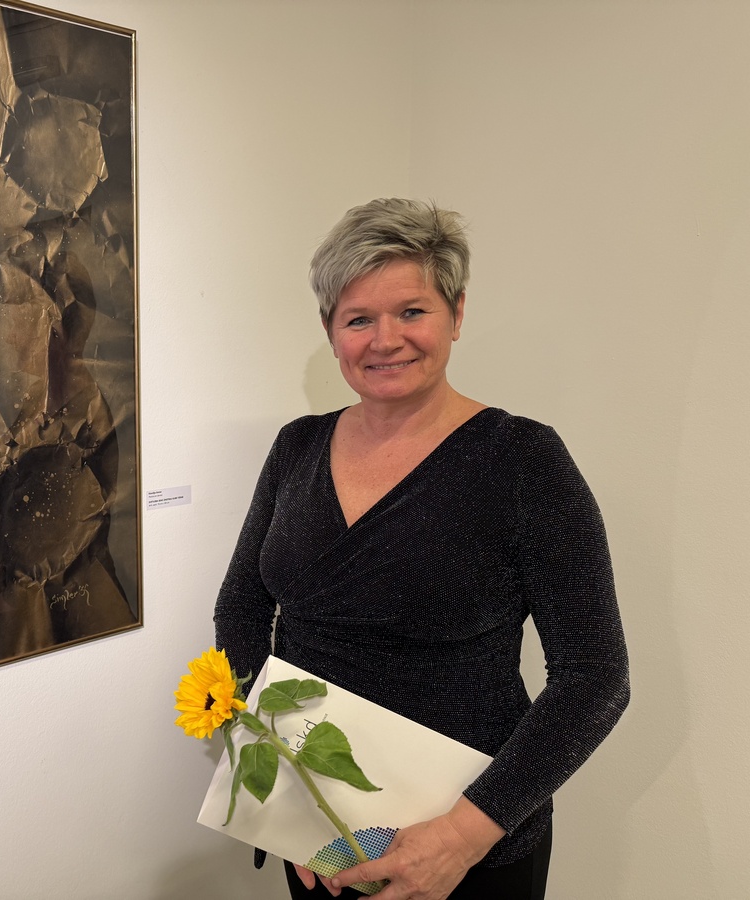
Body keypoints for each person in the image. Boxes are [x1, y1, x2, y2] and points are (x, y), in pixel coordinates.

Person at [213, 199, 630, 900]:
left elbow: (595, 677)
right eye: (358, 319)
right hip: (319, 831)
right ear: (330, 332)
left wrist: (461, 837)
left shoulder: (522, 460)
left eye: (412, 311)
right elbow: (241, 610)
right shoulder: (297, 448)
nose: (386, 340)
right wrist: (279, 785)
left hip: (466, 849)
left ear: (456, 315)